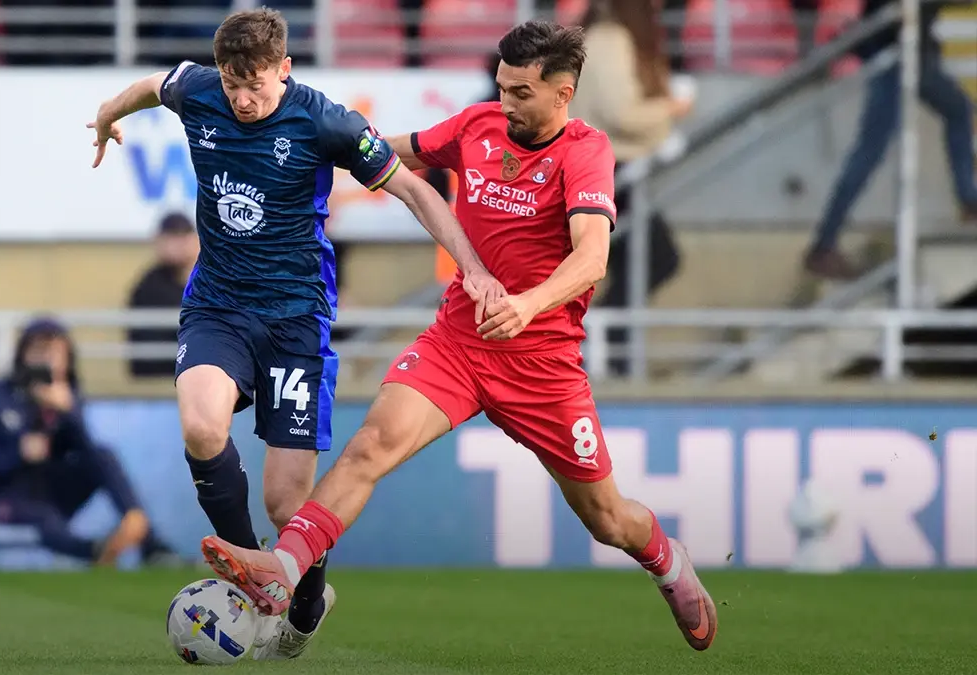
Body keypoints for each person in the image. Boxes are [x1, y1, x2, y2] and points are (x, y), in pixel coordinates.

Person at [198, 20, 719, 652]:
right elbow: (385, 153)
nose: (506, 103)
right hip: (458, 343)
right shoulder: (478, 126)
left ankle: (667, 559)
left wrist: (527, 306)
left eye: (522, 92)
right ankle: (283, 570)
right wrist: (298, 141)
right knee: (371, 446)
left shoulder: (585, 151)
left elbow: (592, 259)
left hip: (541, 363)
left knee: (608, 519)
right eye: (501, 87)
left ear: (563, 94)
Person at [85, 8, 502, 660]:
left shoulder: (325, 121)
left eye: (256, 84)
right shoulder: (199, 90)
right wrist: (109, 115)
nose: (243, 99)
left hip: (295, 322)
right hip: (217, 305)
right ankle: (258, 582)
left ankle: (305, 600)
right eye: (233, 85)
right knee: (201, 426)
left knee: (288, 504)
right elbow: (151, 85)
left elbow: (417, 194)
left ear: (285, 68)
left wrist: (472, 266)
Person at [0, 317, 182, 567]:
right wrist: (18, 452)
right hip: (5, 496)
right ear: (23, 354)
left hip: (51, 491)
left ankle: (146, 538)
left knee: (103, 455)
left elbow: (86, 452)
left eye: (56, 353)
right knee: (44, 518)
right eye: (39, 351)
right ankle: (96, 552)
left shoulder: (67, 396)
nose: (47, 360)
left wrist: (68, 413)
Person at [805, 0, 977, 280]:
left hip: (907, 51)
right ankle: (823, 245)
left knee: (957, 110)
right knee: (869, 151)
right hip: (894, 53)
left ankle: (969, 201)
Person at [572, 0, 686, 374]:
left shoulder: (597, 36)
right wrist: (670, 110)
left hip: (598, 169)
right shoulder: (609, 38)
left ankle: (602, 349)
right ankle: (595, 346)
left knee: (632, 263)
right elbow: (620, 113)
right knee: (658, 257)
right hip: (605, 173)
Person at [126, 212, 200, 379]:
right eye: (171, 238)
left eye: (183, 237)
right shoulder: (149, 286)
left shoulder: (208, 279)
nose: (177, 245)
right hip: (158, 378)